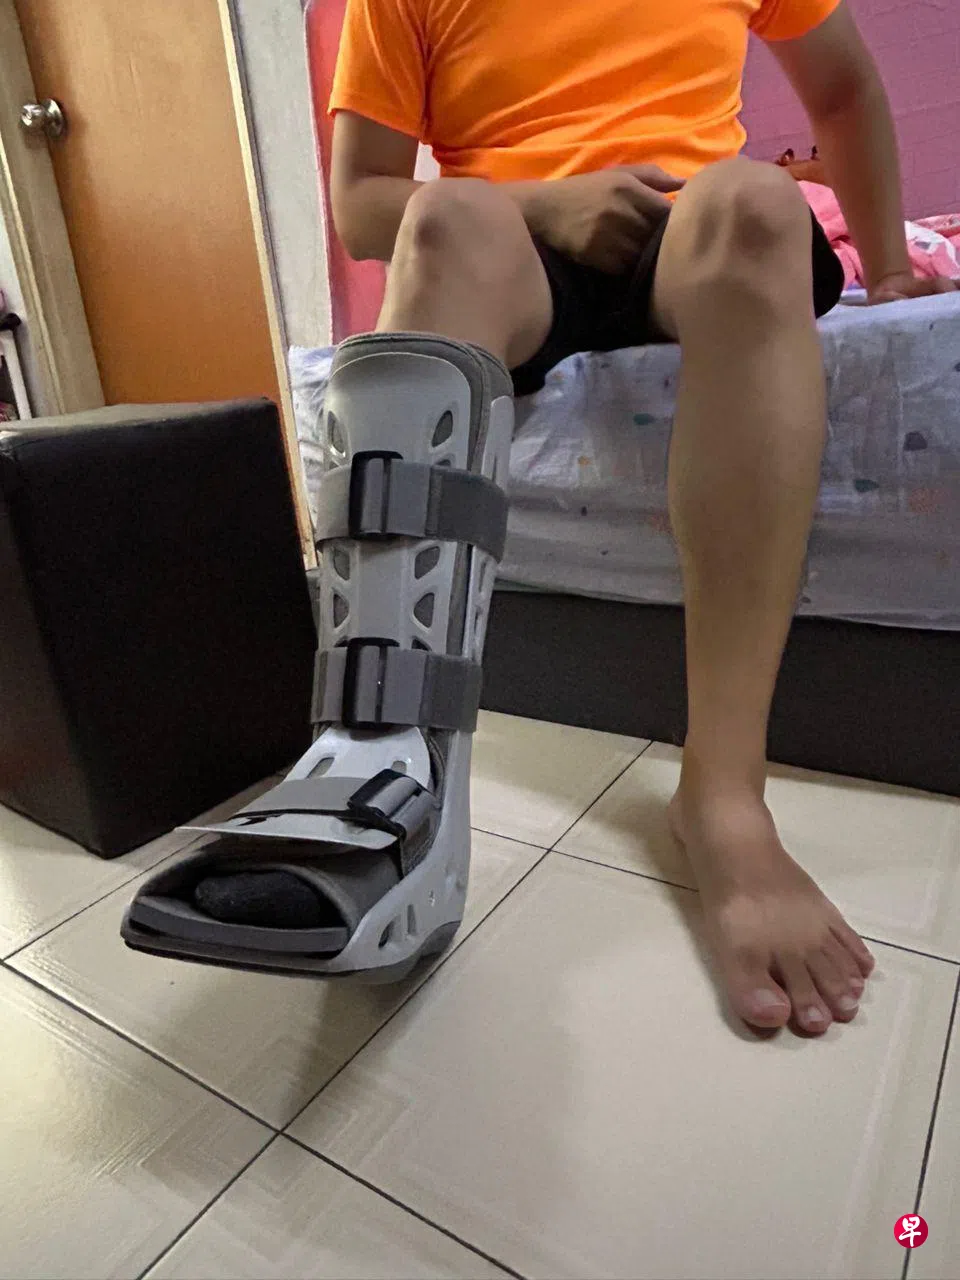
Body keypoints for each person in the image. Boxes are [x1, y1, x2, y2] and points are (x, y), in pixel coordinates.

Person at [327, 0, 958, 1033]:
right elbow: (362, 204)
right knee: (444, 221)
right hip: (514, 242)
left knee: (755, 201)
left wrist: (889, 266)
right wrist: (546, 203)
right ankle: (386, 756)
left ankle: (724, 796)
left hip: (692, 232)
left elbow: (843, 86)